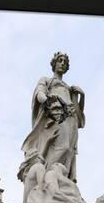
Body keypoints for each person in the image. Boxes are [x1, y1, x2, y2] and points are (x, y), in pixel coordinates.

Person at [21, 52, 85, 182]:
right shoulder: (46, 80)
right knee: (64, 146)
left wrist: (82, 96)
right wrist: (47, 101)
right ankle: (46, 177)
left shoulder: (69, 88)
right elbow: (39, 93)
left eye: (65, 62)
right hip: (56, 115)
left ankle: (61, 179)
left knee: (70, 151)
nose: (62, 63)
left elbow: (79, 114)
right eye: (60, 61)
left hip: (71, 118)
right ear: (54, 63)